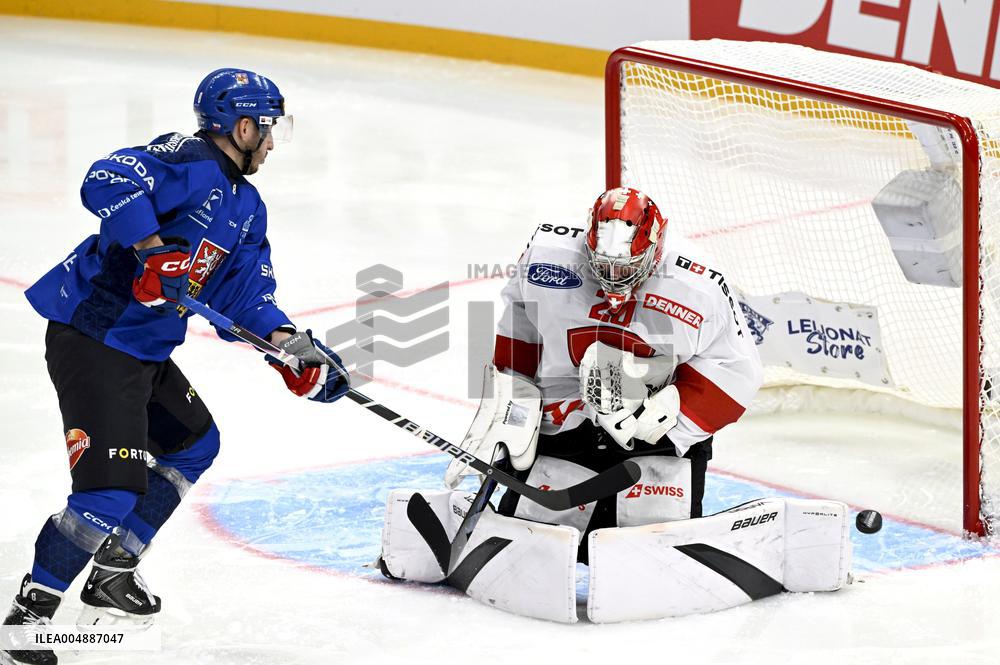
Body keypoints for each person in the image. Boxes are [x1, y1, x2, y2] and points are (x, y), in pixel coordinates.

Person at [2, 69, 349, 665]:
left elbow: (244, 299)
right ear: (242, 127)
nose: (271, 143)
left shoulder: (246, 207)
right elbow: (104, 178)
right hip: (95, 338)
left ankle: (113, 570)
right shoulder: (184, 161)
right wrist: (150, 250)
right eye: (268, 130)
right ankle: (30, 617)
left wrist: (289, 344)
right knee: (108, 491)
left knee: (193, 445)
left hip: (145, 348)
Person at [378, 189, 851, 623]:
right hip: (563, 419)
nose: (613, 277)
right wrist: (514, 402)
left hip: (650, 429)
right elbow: (518, 316)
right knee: (532, 529)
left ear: (656, 249)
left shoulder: (698, 284)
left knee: (653, 553)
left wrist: (672, 420)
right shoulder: (547, 257)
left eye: (628, 266)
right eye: (603, 265)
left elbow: (738, 370)